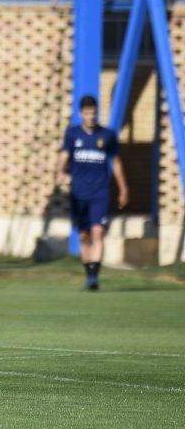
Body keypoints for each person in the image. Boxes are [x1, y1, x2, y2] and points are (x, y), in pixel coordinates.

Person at [56, 95, 129, 290]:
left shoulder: (107, 136)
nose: (90, 116)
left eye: (93, 113)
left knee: (98, 231)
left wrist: (123, 188)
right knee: (84, 235)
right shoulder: (72, 134)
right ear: (81, 114)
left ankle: (94, 277)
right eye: (87, 113)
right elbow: (64, 155)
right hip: (79, 194)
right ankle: (88, 274)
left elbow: (115, 162)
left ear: (97, 113)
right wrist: (59, 173)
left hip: (100, 192)